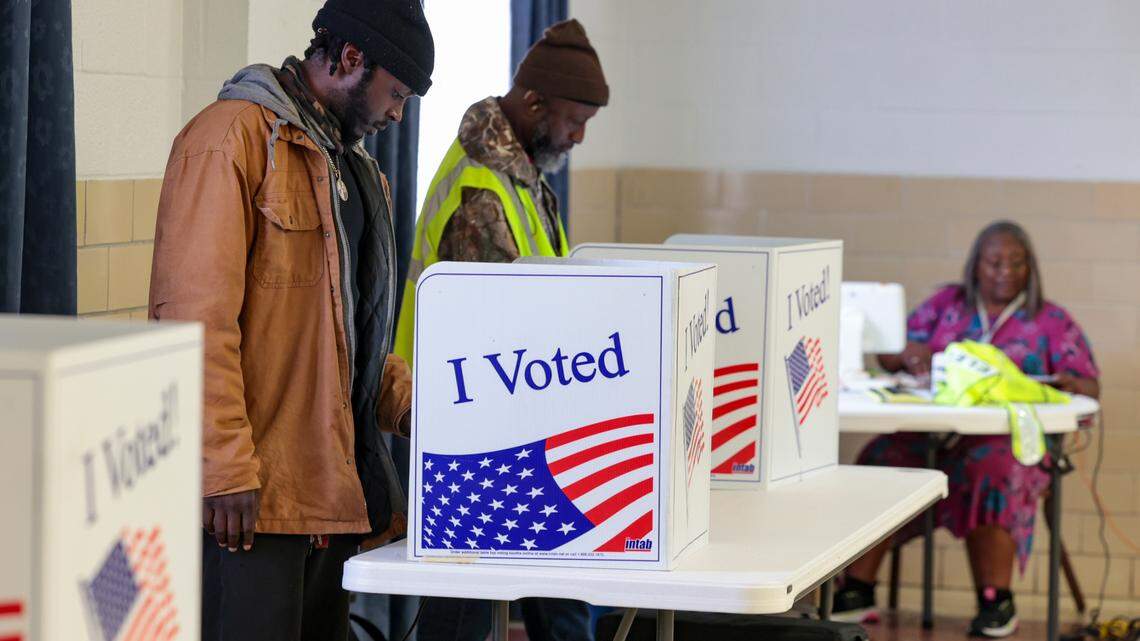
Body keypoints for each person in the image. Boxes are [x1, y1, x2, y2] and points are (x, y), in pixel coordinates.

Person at [147, 1, 433, 639]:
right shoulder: (230, 139)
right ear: (350, 58)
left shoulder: (357, 171)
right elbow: (194, 322)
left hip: (329, 497)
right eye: (396, 93)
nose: (397, 113)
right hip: (247, 504)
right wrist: (222, 469)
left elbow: (350, 340)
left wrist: (426, 407)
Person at [392, 18, 608, 641]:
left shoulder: (522, 175)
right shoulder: (482, 189)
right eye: (574, 120)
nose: (580, 136)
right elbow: (497, 336)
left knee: (547, 601)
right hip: (468, 432)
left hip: (515, 425)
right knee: (466, 613)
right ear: (534, 102)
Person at [831, 221, 1100, 638]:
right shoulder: (947, 305)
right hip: (934, 438)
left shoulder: (1051, 320)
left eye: (1016, 262)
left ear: (1031, 269)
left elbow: (1090, 385)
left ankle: (996, 599)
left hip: (1010, 445)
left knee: (993, 469)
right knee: (880, 458)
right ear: (976, 266)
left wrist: (1067, 384)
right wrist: (908, 355)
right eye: (994, 262)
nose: (1005, 271)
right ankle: (857, 588)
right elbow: (891, 355)